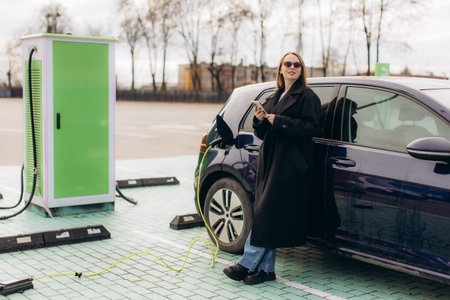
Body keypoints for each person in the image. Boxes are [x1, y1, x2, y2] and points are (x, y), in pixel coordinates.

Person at [223, 52, 322, 285]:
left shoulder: (307, 96)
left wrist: (279, 121)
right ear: (280, 69)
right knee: (269, 215)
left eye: (297, 64)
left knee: (267, 214)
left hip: (291, 164)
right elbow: (261, 133)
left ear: (301, 70)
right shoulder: (275, 95)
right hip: (271, 161)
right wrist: (260, 119)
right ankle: (266, 270)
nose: (292, 67)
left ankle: (246, 263)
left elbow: (312, 128)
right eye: (288, 64)